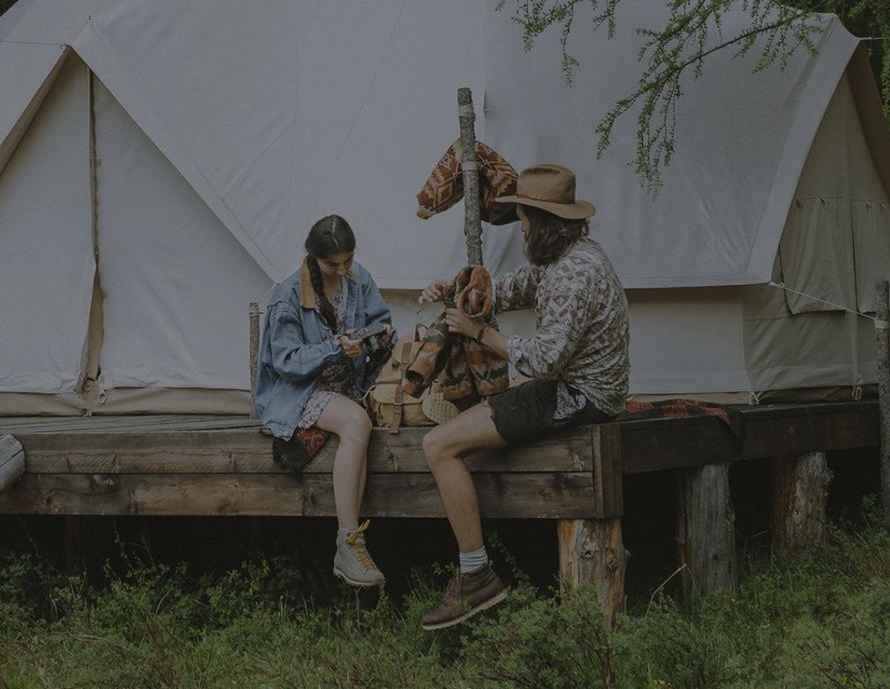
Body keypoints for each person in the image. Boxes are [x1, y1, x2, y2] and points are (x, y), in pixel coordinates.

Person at [415, 163, 629, 629]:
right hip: (576, 387)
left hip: (578, 395)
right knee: (473, 419)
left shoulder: (574, 273)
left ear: (542, 221)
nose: (522, 226)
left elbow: (544, 360)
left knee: (438, 446)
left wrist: (476, 332)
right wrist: (457, 290)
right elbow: (510, 290)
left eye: (525, 218)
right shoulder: (565, 256)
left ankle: (476, 578)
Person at [252, 214, 396, 588]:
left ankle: (351, 544)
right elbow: (285, 364)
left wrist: (379, 336)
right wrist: (334, 347)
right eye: (333, 264)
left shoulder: (358, 277)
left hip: (350, 383)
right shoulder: (287, 296)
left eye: (348, 260)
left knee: (374, 416)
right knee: (356, 423)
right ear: (314, 259)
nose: (343, 269)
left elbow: (381, 320)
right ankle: (348, 541)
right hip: (301, 390)